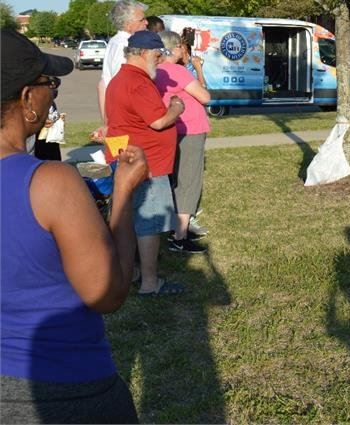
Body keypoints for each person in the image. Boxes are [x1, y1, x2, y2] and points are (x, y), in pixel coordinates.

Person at [1, 28, 149, 423]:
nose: (53, 93)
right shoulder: (51, 183)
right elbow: (109, 293)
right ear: (27, 98)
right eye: (50, 83)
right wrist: (122, 195)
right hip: (63, 392)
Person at [105, 30, 186, 296]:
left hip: (127, 156)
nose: (160, 60)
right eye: (156, 54)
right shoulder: (138, 82)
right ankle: (151, 283)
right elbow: (158, 121)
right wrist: (176, 106)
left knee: (130, 218)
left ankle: (133, 271)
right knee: (149, 222)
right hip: (147, 162)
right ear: (141, 54)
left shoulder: (121, 78)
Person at [155, 31, 211, 254]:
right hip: (189, 130)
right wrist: (197, 69)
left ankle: (175, 227)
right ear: (171, 49)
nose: (183, 50)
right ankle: (180, 236)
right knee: (188, 182)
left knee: (175, 179)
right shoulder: (176, 71)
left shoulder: (155, 71)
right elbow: (205, 96)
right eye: (180, 46)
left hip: (171, 130)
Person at [96, 0, 148, 140]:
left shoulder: (114, 42)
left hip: (118, 116)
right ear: (128, 24)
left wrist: (107, 121)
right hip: (127, 118)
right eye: (142, 20)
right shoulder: (126, 45)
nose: (146, 22)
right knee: (129, 158)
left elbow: (103, 84)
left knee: (122, 157)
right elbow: (125, 84)